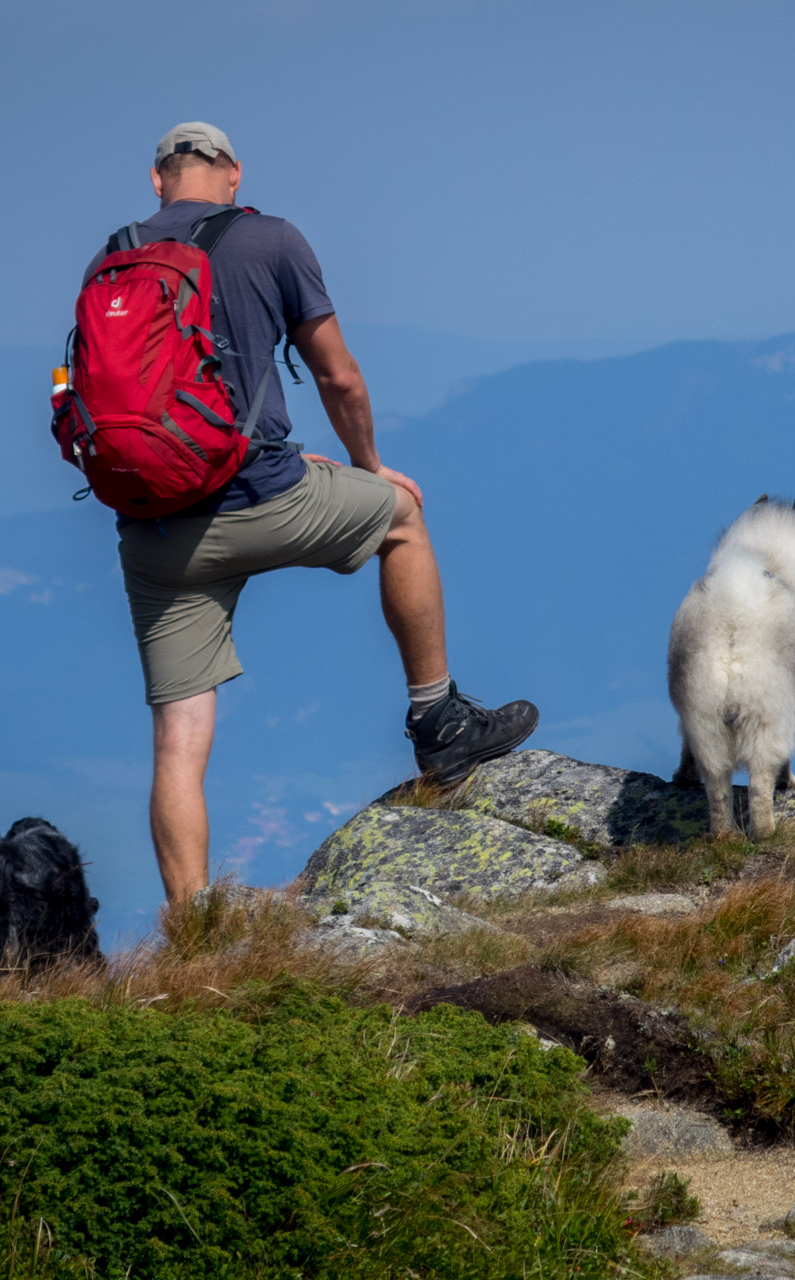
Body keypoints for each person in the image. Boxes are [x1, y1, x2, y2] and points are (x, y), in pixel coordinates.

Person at [92, 122, 538, 906]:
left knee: (177, 743)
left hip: (158, 529)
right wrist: (368, 466)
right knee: (401, 514)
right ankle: (440, 725)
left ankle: (194, 933)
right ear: (232, 175)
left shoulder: (113, 257)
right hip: (264, 498)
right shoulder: (271, 240)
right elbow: (340, 380)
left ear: (157, 179)